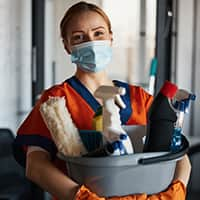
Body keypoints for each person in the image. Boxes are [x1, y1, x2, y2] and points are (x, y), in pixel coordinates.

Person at [13, 1, 191, 200]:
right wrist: (81, 196)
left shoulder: (139, 98)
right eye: (79, 37)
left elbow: (179, 155)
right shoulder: (56, 100)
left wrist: (175, 191)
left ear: (111, 37)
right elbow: (35, 166)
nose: (91, 42)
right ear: (67, 46)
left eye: (98, 33)